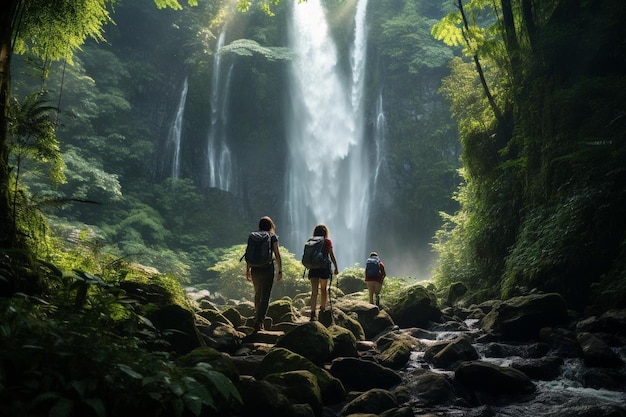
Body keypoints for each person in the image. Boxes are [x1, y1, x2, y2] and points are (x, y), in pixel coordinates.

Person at [245, 216, 282, 331]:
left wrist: (247, 270)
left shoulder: (253, 237)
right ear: (271, 225)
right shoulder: (272, 237)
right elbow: (277, 254)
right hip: (267, 268)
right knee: (265, 296)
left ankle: (257, 317)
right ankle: (259, 321)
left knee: (257, 294)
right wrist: (280, 270)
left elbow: (248, 254)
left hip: (254, 268)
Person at [307, 223, 339, 321]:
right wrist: (336, 267)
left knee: (314, 292)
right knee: (323, 289)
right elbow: (331, 255)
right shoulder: (327, 241)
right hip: (324, 268)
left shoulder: (310, 241)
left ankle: (312, 313)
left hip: (313, 268)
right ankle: (322, 308)